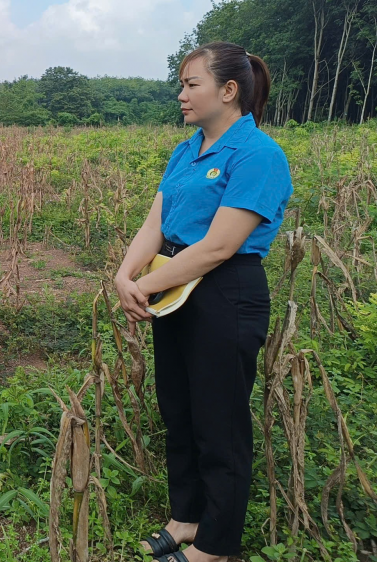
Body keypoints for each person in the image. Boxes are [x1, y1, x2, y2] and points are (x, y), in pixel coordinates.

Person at [114, 43, 292, 562]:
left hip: (223, 292)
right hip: (169, 286)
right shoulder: (186, 149)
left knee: (220, 423)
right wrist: (126, 275)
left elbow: (218, 246)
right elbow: (156, 222)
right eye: (182, 84)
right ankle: (186, 516)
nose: (181, 94)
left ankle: (217, 545)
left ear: (229, 91)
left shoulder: (259, 155)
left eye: (192, 84)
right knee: (180, 408)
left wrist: (144, 287)